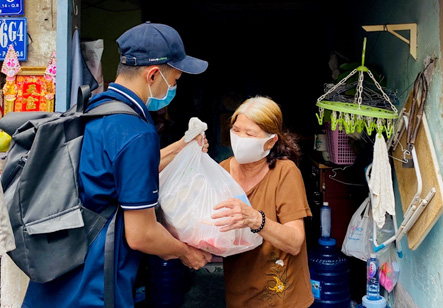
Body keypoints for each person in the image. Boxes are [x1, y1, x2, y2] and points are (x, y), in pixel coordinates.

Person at [22, 22, 212, 307]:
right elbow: (142, 235)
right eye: (174, 80)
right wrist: (185, 252)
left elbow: (119, 171)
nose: (174, 87)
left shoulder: (95, 108)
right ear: (152, 74)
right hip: (94, 288)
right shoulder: (137, 132)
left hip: (55, 278)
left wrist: (182, 147)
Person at [212, 96, 314, 307]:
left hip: (282, 299)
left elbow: (295, 242)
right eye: (236, 130)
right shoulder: (221, 171)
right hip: (239, 295)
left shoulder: (285, 173)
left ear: (271, 140)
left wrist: (255, 219)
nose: (240, 138)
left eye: (249, 133)